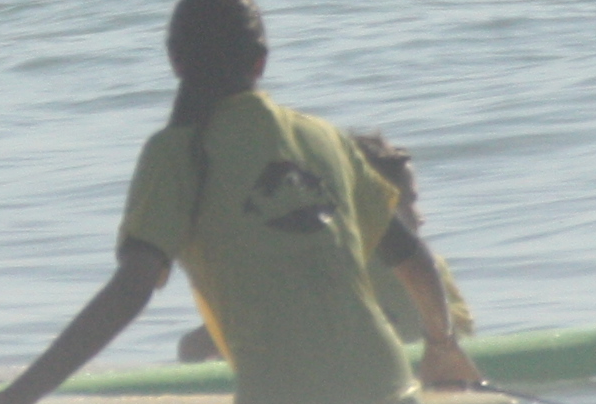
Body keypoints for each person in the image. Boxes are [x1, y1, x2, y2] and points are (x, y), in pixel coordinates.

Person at [0, 0, 481, 404]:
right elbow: (413, 259)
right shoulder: (327, 138)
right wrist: (442, 345)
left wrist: (13, 401)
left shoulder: (176, 153)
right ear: (260, 64)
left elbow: (129, 293)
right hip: (391, 398)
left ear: (175, 61)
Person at [175, 128, 479, 364]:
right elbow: (468, 340)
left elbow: (195, 350)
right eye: (407, 204)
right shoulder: (428, 269)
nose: (420, 217)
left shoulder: (302, 267)